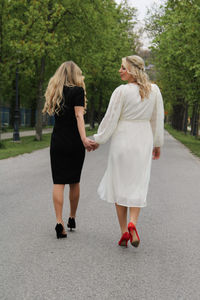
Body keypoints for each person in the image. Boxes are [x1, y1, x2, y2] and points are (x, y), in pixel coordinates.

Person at [93, 55, 164, 248]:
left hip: (123, 139)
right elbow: (157, 120)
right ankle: (133, 223)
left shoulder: (121, 92)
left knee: (119, 184)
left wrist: (98, 139)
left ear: (133, 70)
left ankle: (124, 231)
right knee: (138, 183)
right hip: (143, 139)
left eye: (123, 67)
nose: (120, 70)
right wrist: (157, 144)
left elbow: (110, 119)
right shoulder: (154, 91)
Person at [43, 61, 96, 239]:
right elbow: (79, 115)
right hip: (74, 141)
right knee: (74, 181)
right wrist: (83, 138)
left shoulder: (55, 92)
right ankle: (72, 217)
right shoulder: (78, 91)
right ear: (76, 75)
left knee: (58, 182)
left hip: (57, 140)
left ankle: (59, 222)